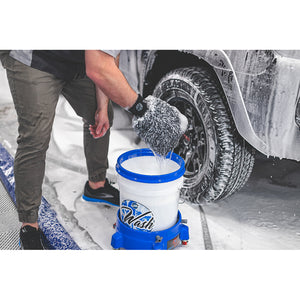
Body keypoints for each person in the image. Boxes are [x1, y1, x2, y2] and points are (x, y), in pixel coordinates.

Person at [0, 50, 120, 249]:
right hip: (32, 57)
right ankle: (29, 225)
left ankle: (96, 185)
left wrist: (101, 107)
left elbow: (106, 62)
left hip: (76, 62)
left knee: (102, 114)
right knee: (35, 139)